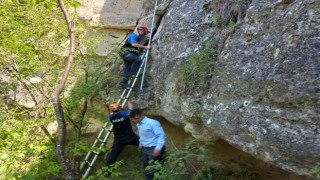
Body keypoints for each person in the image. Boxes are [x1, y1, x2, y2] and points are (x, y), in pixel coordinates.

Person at [128, 109, 166, 180]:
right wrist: (140, 144)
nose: (134, 121)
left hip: (154, 148)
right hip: (146, 148)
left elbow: (161, 136)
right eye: (133, 119)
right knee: (146, 167)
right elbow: (142, 135)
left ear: (139, 116)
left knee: (153, 170)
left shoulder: (152, 123)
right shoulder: (139, 123)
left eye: (134, 119)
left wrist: (158, 149)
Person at [105, 101, 139, 168]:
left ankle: (106, 172)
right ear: (120, 109)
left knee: (113, 156)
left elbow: (113, 113)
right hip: (130, 137)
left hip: (119, 140)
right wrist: (127, 100)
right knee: (146, 143)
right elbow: (131, 108)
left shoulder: (110, 117)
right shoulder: (125, 115)